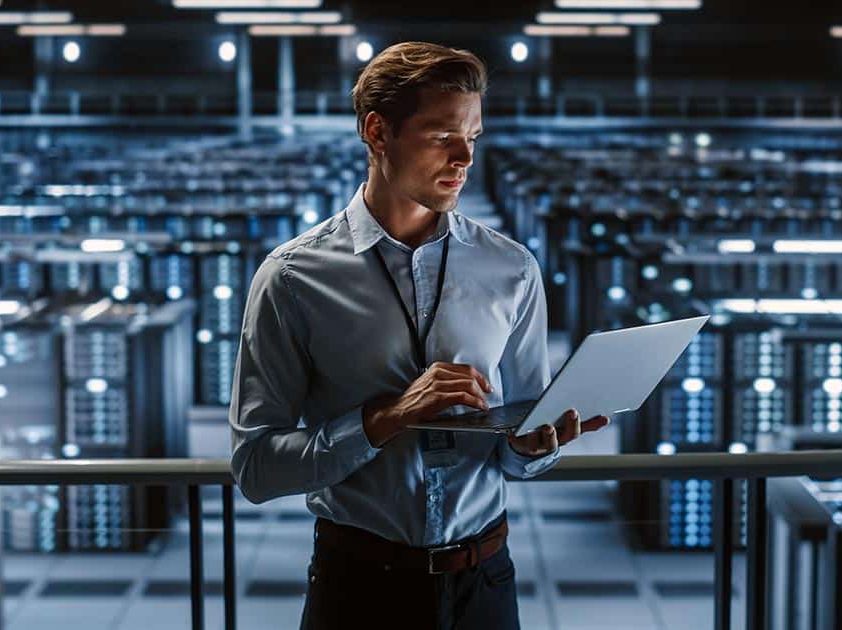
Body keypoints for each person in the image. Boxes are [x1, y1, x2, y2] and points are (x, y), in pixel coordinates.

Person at [229, 41, 609, 629]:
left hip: (485, 582)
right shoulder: (293, 278)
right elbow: (254, 467)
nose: (464, 158)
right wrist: (385, 419)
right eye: (441, 136)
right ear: (377, 132)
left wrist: (536, 447)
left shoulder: (511, 268)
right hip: (358, 588)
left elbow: (520, 441)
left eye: (474, 138)